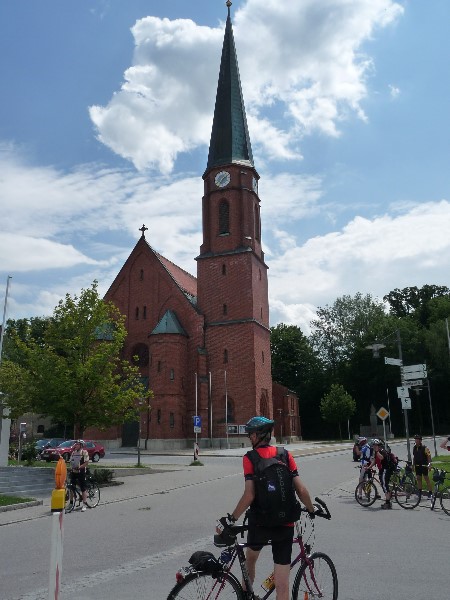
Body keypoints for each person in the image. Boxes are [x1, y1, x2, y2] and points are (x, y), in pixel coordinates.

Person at [216, 416, 314, 600]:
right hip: (285, 525)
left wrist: (232, 518)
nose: (250, 438)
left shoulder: (250, 458)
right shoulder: (285, 454)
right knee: (283, 586)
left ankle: (247, 594)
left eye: (251, 435)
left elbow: (249, 494)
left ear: (260, 435)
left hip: (259, 522)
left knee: (250, 559)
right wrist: (311, 509)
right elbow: (301, 489)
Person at [369, 439, 394, 509]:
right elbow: (375, 461)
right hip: (382, 470)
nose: (373, 447)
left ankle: (388, 503)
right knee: (385, 485)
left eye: (375, 445)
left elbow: (381, 458)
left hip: (385, 470)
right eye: (373, 445)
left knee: (384, 485)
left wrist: (377, 451)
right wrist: (369, 467)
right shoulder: (377, 452)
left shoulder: (382, 451)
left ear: (378, 446)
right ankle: (388, 499)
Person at [69, 439, 90, 511]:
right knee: (71, 487)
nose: (76, 445)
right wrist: (71, 467)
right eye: (76, 444)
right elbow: (71, 461)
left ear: (81, 445)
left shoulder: (84, 452)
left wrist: (80, 467)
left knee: (83, 488)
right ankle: (71, 503)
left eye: (77, 444)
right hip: (74, 472)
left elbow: (86, 462)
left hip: (81, 472)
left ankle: (84, 504)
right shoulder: (73, 453)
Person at [412, 434, 432, 503]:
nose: (416, 440)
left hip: (424, 465)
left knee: (426, 479)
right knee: (418, 479)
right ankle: (420, 492)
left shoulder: (424, 448)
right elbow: (414, 457)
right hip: (417, 466)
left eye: (417, 439)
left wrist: (429, 464)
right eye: (415, 439)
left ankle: (430, 493)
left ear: (420, 440)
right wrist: (413, 465)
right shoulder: (414, 448)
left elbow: (429, 456)